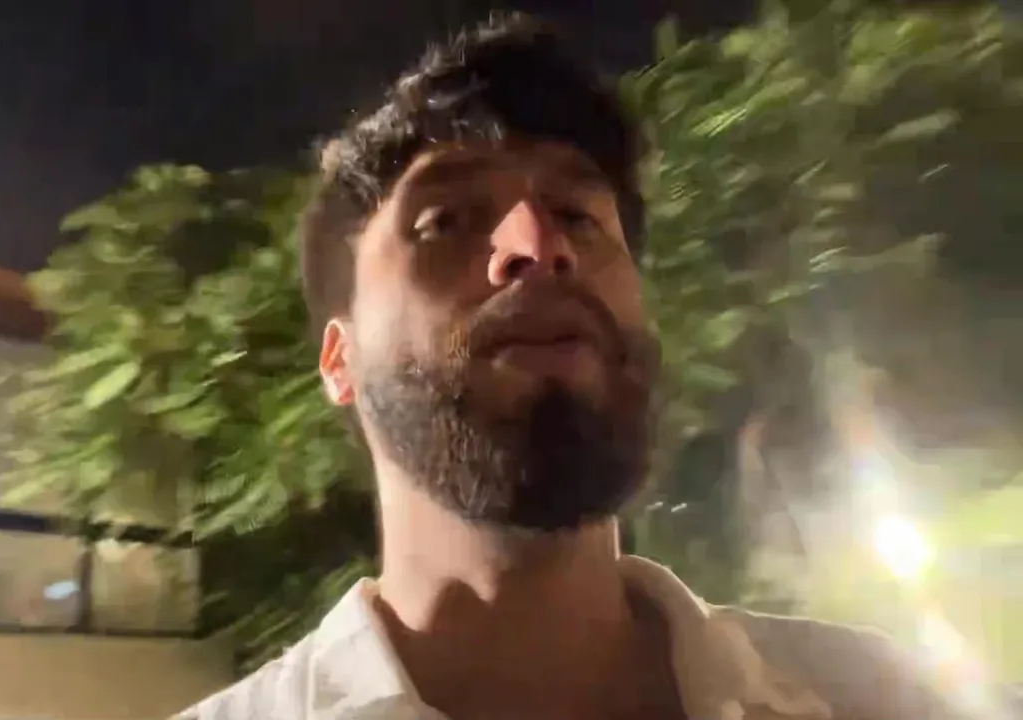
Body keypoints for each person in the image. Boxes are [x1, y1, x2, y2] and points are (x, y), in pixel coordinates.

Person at [177, 13, 976, 720]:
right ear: (339, 360)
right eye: (446, 219)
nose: (538, 243)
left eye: (578, 215)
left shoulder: (888, 698)